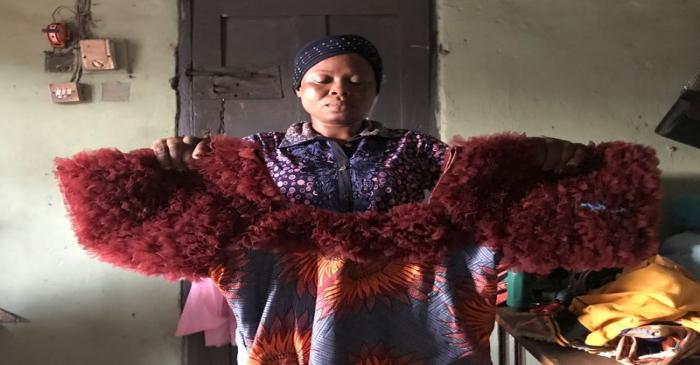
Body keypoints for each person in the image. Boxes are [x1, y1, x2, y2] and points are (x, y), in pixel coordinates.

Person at [148, 34, 588, 364]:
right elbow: (206, 194)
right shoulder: (258, 150)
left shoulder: (412, 148)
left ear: (374, 91)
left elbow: (478, 179)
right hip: (296, 304)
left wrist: (535, 156)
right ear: (300, 89)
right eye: (323, 80)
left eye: (358, 82)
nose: (340, 90)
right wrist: (180, 157)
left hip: (397, 306)